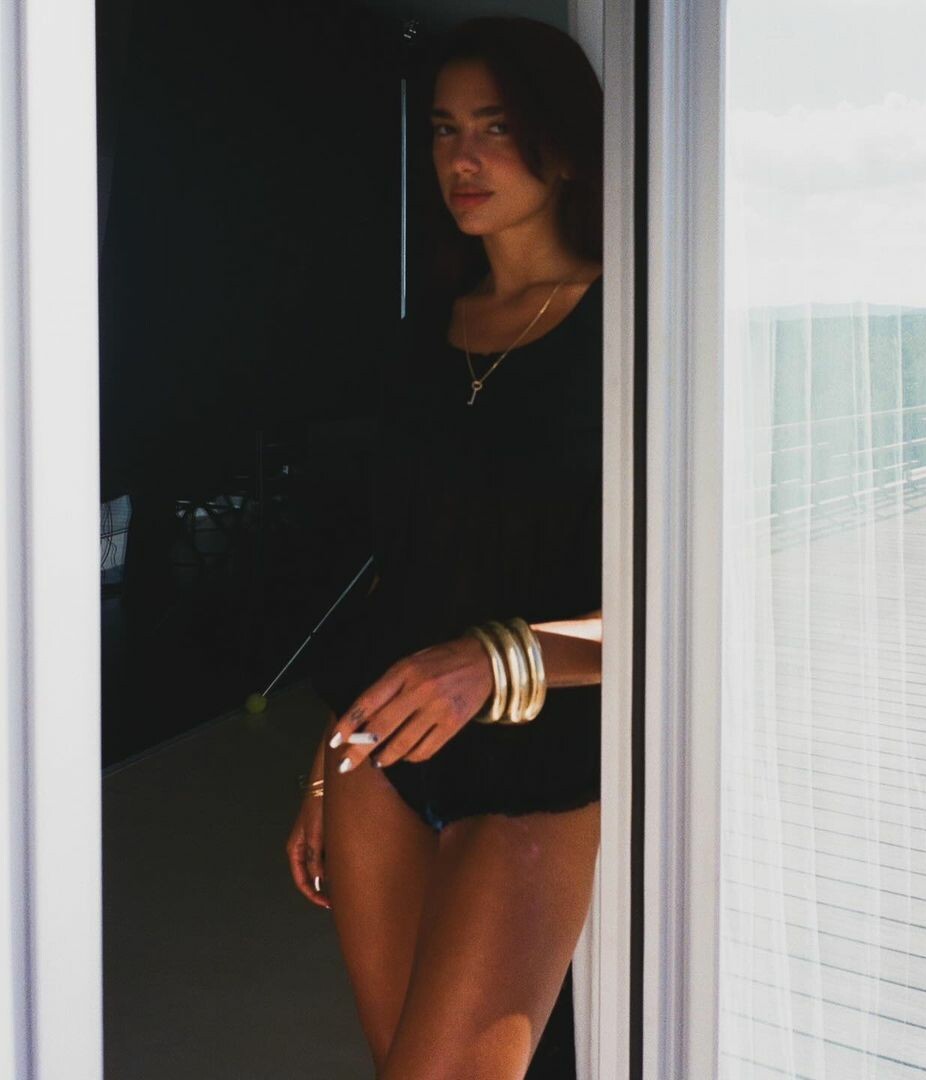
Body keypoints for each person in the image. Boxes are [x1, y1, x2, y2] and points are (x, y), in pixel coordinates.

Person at [285, 16, 604, 1079]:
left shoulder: (631, 332)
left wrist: (496, 661)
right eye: (443, 129)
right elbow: (402, 569)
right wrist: (328, 764)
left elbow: (695, 605)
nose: (461, 158)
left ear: (564, 148)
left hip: (546, 758)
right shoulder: (425, 338)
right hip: (386, 755)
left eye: (495, 127)